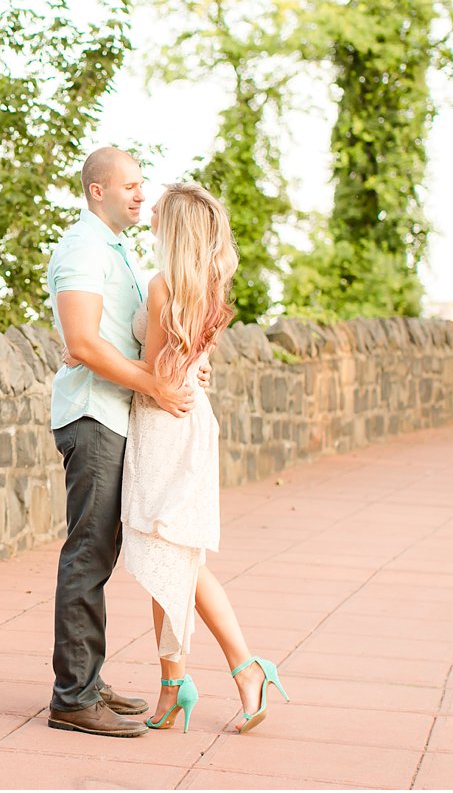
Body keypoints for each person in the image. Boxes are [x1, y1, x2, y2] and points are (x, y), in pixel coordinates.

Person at [44, 146, 210, 738]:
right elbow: (85, 345)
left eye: (143, 186)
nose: (142, 195)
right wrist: (159, 387)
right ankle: (73, 697)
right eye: (131, 186)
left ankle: (86, 679)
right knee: (89, 552)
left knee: (102, 552)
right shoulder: (86, 247)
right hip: (93, 417)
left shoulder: (114, 250)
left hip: (114, 414)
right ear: (97, 191)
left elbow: (116, 338)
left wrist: (182, 371)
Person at [113, 181, 289, 735]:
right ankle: (189, 681)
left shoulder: (164, 287)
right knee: (175, 559)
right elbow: (188, 363)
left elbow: (157, 376)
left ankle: (229, 671)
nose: (152, 218)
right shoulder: (208, 287)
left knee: (172, 555)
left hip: (163, 423)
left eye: (161, 214)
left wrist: (90, 357)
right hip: (190, 420)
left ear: (176, 229)